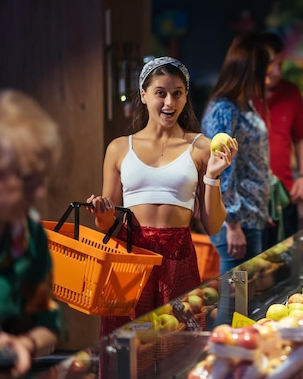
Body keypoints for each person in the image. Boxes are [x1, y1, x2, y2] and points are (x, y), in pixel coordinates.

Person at [86, 56, 237, 338]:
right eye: (160, 93)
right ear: (143, 95)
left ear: (185, 96)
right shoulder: (119, 148)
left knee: (177, 349)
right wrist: (102, 214)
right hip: (129, 258)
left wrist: (213, 176)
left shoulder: (201, 146)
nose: (169, 103)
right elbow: (107, 226)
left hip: (178, 257)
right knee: (128, 350)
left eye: (177, 94)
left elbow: (214, 225)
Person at [0, 89, 62, 378]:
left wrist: (23, 344)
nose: (39, 193)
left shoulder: (27, 237)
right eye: (26, 178)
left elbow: (46, 323)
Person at [201, 32, 272, 273]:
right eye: (264, 70)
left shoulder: (245, 105)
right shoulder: (224, 110)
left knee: (247, 299)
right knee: (233, 301)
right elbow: (222, 168)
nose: (268, 76)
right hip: (237, 221)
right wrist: (232, 223)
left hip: (252, 215)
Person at [253, 32, 303, 247]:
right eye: (271, 65)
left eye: (280, 64)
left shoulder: (291, 92)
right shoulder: (240, 97)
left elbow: (301, 138)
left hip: (284, 196)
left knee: (285, 265)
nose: (277, 72)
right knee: (253, 269)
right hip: (251, 199)